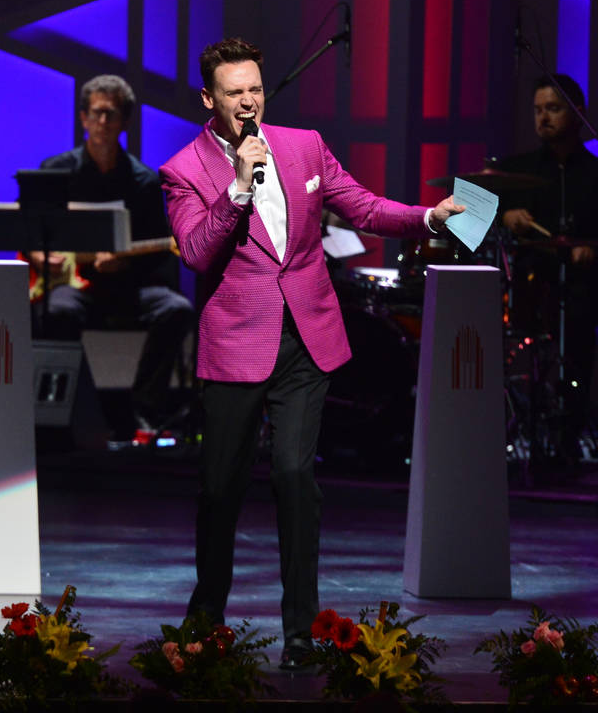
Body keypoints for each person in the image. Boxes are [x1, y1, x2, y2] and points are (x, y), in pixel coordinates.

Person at [159, 38, 464, 670]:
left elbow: (365, 207)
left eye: (255, 88)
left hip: (305, 335)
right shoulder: (185, 169)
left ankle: (300, 631)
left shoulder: (304, 145)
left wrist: (428, 218)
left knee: (296, 477)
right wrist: (238, 188)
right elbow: (195, 253)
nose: (248, 100)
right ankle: (206, 618)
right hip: (239, 342)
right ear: (208, 99)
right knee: (221, 488)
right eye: (234, 91)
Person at [31, 75, 194, 441]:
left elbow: (159, 254)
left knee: (176, 309)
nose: (104, 122)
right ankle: (70, 410)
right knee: (56, 312)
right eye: (98, 114)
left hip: (126, 287)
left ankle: (143, 408)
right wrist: (44, 258)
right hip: (73, 286)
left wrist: (127, 263)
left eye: (112, 114)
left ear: (125, 121)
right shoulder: (54, 171)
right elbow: (27, 231)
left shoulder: (144, 182)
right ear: (84, 118)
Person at [496, 74, 598, 468]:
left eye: (552, 109)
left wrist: (592, 251)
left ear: (577, 114)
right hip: (527, 286)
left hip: (579, 291)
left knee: (579, 338)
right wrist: (504, 216)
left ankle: (567, 435)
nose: (543, 119)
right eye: (538, 110)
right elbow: (461, 219)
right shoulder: (514, 170)